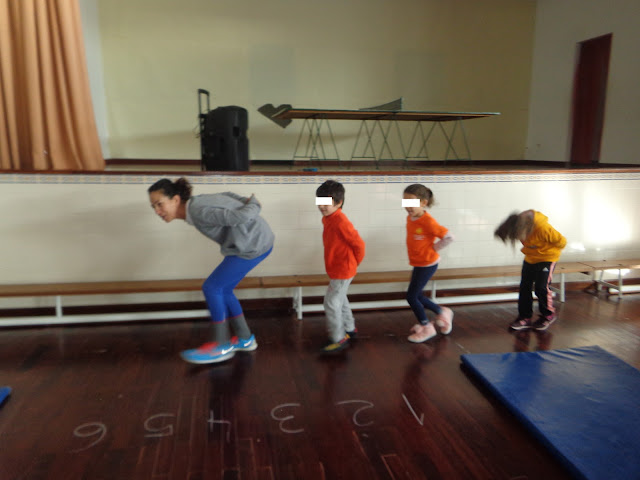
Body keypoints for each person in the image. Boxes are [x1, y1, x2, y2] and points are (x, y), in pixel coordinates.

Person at [148, 178, 274, 364]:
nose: (157, 211)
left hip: (252, 245)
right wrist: (249, 201)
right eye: (153, 207)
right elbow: (228, 194)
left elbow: (240, 217)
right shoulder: (196, 203)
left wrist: (254, 203)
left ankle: (220, 345)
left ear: (175, 199)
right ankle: (245, 338)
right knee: (224, 289)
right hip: (257, 241)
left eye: (160, 204)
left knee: (212, 287)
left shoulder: (197, 210)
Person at [494, 209, 566, 331]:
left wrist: (544, 250)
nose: (517, 239)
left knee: (541, 287)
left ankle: (548, 315)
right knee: (524, 287)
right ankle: (525, 317)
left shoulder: (543, 228)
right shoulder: (520, 224)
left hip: (547, 258)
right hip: (530, 258)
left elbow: (562, 242)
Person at [316, 180, 365, 353]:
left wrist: (355, 263)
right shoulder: (328, 218)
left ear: (339, 203)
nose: (322, 206)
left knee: (331, 302)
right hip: (338, 268)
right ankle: (350, 328)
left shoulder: (340, 221)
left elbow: (359, 244)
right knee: (340, 299)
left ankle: (338, 338)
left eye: (326, 203)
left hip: (343, 269)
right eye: (320, 202)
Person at [403, 184, 454, 343]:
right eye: (405, 202)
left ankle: (426, 326)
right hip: (418, 263)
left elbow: (449, 237)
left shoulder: (428, 221)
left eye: (411, 202)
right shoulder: (410, 218)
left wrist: (434, 249)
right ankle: (442, 311)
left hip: (428, 263)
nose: (407, 206)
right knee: (417, 295)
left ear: (423, 203)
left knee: (411, 297)